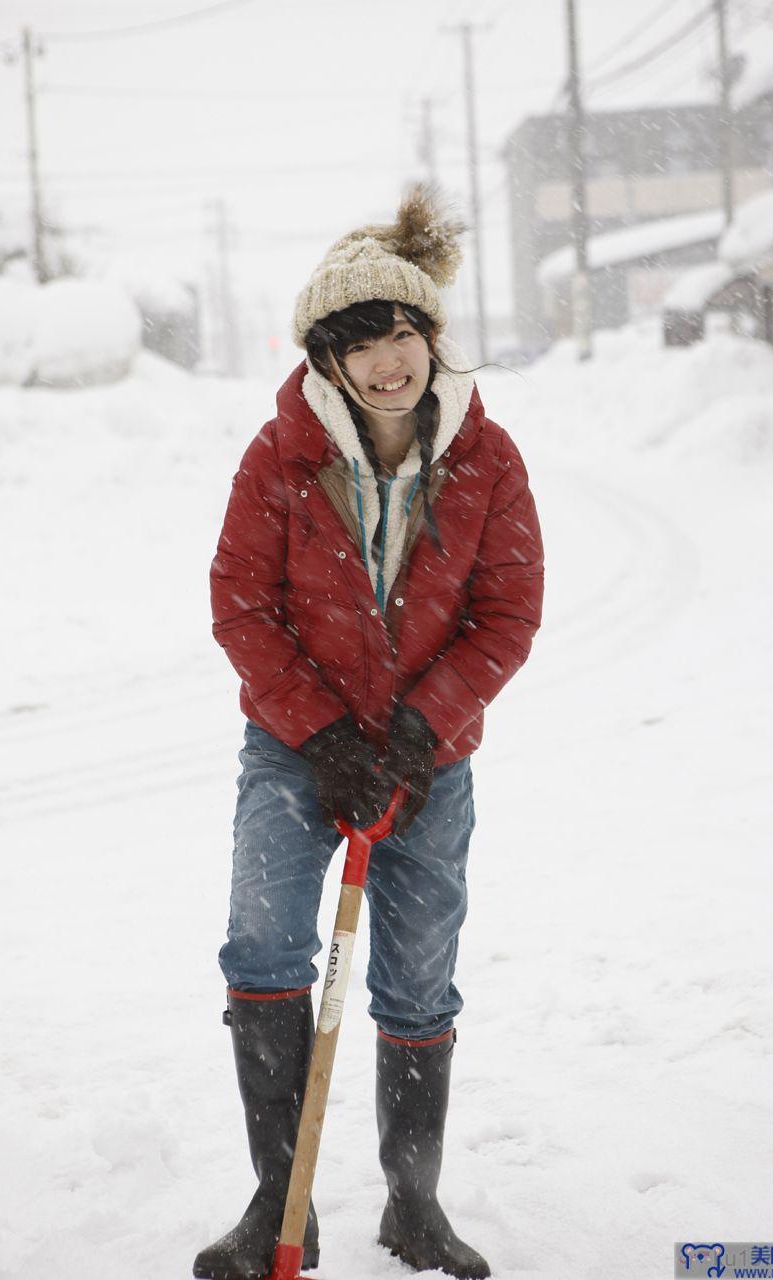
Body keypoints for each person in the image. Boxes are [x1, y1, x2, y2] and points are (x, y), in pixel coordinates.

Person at [194, 184, 544, 1280]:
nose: (385, 360)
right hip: (294, 749)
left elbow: (507, 613)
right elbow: (239, 601)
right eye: (356, 342)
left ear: (427, 335)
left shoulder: (487, 459)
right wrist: (324, 733)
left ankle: (415, 1202)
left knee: (416, 974)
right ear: (326, 360)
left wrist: (421, 731)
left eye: (398, 331)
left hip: (430, 760)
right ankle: (276, 1200)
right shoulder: (279, 456)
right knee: (263, 949)